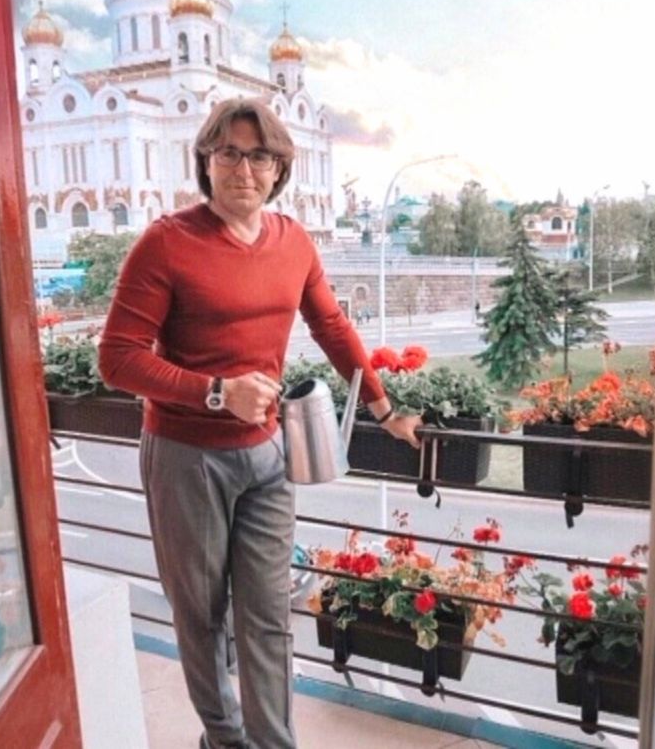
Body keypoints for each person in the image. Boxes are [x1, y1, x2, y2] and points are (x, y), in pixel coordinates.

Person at [99, 98, 420, 749]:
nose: (244, 169)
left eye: (259, 156)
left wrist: (383, 408)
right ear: (206, 161)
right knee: (201, 615)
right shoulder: (166, 242)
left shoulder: (292, 241)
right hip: (186, 456)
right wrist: (217, 393)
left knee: (269, 615)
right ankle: (224, 739)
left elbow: (331, 325)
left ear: (279, 168)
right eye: (229, 153)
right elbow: (117, 359)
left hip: (268, 456)